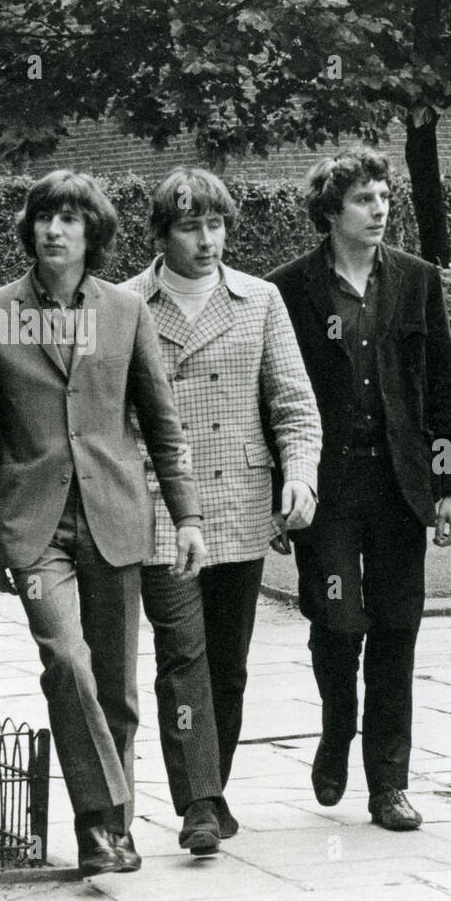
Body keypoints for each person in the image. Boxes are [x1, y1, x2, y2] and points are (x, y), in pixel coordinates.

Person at [0, 169, 205, 876]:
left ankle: (112, 829)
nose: (54, 229)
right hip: (33, 528)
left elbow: (162, 423)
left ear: (92, 233)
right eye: (43, 217)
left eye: (69, 218)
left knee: (118, 688)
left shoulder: (125, 313)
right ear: (29, 228)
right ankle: (101, 822)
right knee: (68, 663)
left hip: (114, 519)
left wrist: (186, 516)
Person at [268, 147, 451, 832]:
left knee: (395, 627)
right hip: (326, 485)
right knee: (338, 619)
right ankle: (337, 729)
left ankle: (389, 783)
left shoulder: (416, 281)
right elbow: (272, 397)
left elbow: (445, 386)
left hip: (397, 484)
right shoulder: (289, 289)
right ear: (330, 212)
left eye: (384, 197)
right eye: (363, 199)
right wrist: (279, 485)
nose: (380, 208)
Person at [122, 167, 321, 854]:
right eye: (189, 227)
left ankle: (214, 787)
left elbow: (293, 403)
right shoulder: (126, 306)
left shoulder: (259, 300)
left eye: (216, 225)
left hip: (238, 504)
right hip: (159, 510)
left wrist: (300, 475)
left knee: (227, 666)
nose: (207, 241)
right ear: (162, 233)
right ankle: (199, 804)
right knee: (183, 656)